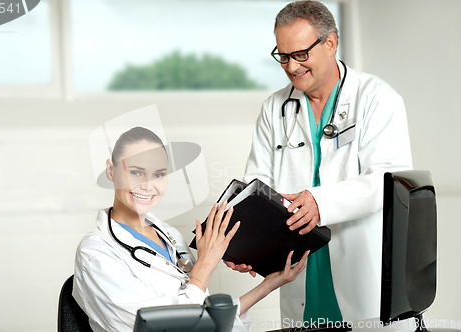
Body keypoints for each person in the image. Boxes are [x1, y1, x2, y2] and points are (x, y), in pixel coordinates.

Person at [227, 0, 413, 326]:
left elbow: (387, 179)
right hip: (299, 270)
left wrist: (319, 201)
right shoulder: (275, 108)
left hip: (361, 267)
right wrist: (249, 247)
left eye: (300, 54)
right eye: (282, 56)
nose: (291, 67)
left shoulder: (376, 98)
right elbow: (258, 185)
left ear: (330, 43)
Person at [72, 126, 309, 332]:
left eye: (158, 174)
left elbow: (203, 318)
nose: (147, 185)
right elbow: (147, 327)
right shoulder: (94, 252)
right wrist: (206, 262)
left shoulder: (169, 235)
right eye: (135, 172)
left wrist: (268, 284)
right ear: (110, 170)